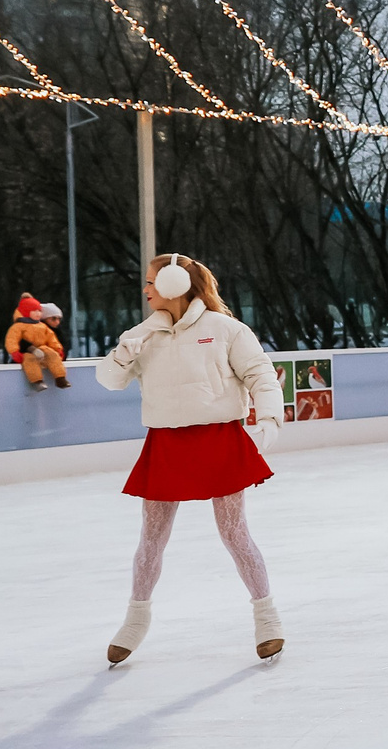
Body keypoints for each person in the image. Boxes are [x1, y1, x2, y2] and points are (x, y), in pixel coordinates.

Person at [95, 252, 285, 664]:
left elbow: (261, 375)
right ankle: (135, 619)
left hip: (220, 438)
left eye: (150, 282)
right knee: (152, 539)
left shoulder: (226, 330)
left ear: (174, 283)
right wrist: (123, 355)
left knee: (235, 534)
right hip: (166, 443)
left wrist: (269, 418)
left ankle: (267, 616)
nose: (145, 290)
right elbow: (109, 380)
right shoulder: (142, 334)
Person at [4, 294, 69, 391]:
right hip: (29, 353)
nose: (57, 322)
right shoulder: (19, 327)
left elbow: (51, 338)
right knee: (30, 361)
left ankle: (60, 377)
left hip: (43, 350)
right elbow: (12, 340)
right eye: (53, 318)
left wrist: (57, 349)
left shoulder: (43, 327)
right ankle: (37, 380)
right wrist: (15, 353)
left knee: (52, 355)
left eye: (39, 311)